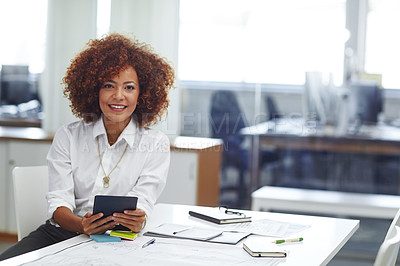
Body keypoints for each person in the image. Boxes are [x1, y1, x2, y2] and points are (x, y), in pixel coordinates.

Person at [0, 32, 175, 260]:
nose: (119, 95)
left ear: (142, 94)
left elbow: (143, 200)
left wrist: (137, 218)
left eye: (129, 87)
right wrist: (82, 226)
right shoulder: (68, 135)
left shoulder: (155, 143)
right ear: (94, 90)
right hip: (61, 233)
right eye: (109, 85)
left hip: (119, 239)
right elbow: (59, 202)